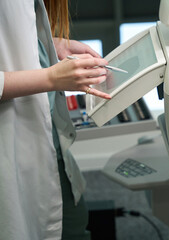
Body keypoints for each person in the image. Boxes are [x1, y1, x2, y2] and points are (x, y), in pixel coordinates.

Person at [0, 0, 110, 239]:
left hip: (49, 136)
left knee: (73, 224)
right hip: (10, 143)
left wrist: (46, 43)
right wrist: (50, 78)